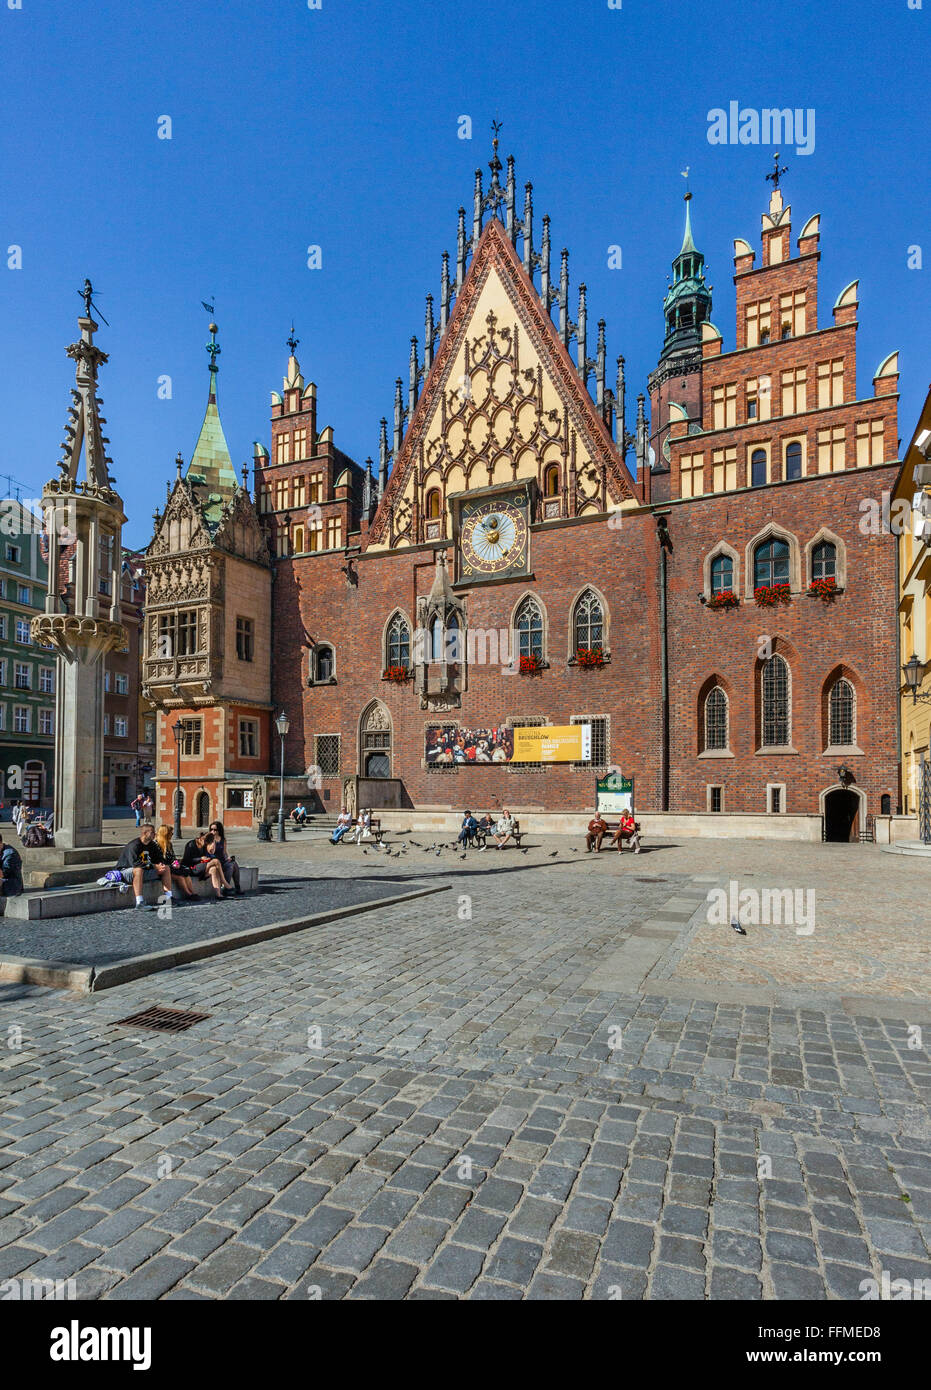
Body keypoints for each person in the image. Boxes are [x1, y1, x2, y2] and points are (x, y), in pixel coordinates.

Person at [115, 824, 176, 909]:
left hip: (145, 870)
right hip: (125, 872)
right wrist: (154, 866)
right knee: (138, 870)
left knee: (166, 868)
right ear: (144, 833)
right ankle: (139, 902)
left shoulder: (152, 845)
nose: (154, 834)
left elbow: (159, 858)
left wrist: (161, 864)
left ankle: (168, 898)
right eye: (152, 832)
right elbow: (135, 863)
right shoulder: (134, 845)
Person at [181, 831, 232, 899]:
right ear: (201, 839)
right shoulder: (191, 844)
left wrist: (213, 845)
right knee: (216, 861)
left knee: (214, 869)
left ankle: (218, 894)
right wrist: (200, 859)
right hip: (192, 868)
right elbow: (186, 860)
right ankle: (224, 881)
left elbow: (211, 853)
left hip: (202, 867)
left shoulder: (205, 844)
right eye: (205, 843)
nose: (205, 845)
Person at [154, 825, 197, 900]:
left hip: (172, 868)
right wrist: (171, 865)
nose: (172, 835)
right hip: (163, 869)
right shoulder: (155, 845)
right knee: (180, 878)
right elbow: (158, 861)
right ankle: (188, 894)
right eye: (171, 833)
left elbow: (173, 858)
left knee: (186, 875)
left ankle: (193, 892)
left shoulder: (169, 844)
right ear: (165, 834)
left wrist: (176, 863)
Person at [208, 820, 242, 893]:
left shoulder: (223, 840)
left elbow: (224, 852)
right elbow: (211, 852)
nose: (213, 831)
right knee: (230, 866)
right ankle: (227, 887)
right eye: (211, 829)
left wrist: (228, 858)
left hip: (222, 861)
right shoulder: (209, 840)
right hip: (215, 862)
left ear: (219, 830)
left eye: (215, 830)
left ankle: (237, 887)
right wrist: (213, 840)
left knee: (234, 863)